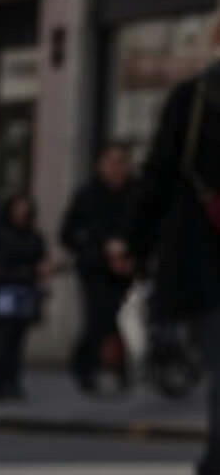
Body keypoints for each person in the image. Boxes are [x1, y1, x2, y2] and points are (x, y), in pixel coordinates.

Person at [113, 38, 220, 475]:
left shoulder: (194, 98)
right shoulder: (192, 98)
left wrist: (132, 243)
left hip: (205, 253)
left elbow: (158, 175)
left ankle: (218, 466)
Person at [61, 143, 140, 393]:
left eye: (122, 162)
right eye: (112, 162)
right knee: (100, 316)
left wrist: (132, 254)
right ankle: (88, 367)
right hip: (95, 268)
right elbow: (69, 234)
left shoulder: (136, 193)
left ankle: (120, 367)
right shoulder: (87, 194)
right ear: (101, 165)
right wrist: (100, 247)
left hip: (127, 267)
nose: (118, 168)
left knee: (122, 318)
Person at [0, 192, 50, 404]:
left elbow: (39, 259)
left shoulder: (33, 236)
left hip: (24, 292)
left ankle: (12, 382)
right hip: (2, 292)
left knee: (17, 339)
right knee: (1, 339)